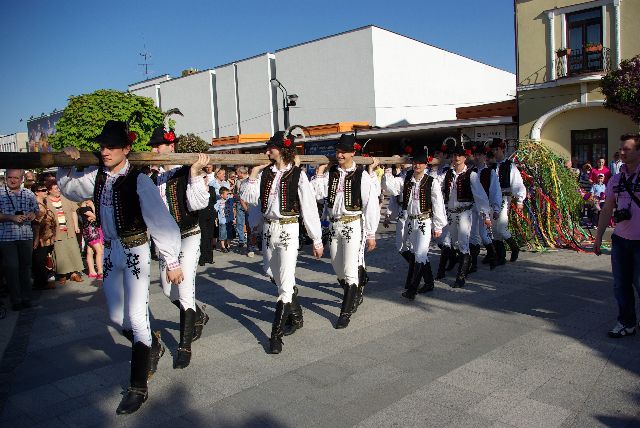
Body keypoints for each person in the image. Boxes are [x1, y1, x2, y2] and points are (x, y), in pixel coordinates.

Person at [57, 119, 184, 415]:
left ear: (126, 149)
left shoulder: (139, 180)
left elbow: (161, 221)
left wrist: (172, 260)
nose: (105, 151)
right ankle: (151, 346)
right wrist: (65, 163)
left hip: (135, 251)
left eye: (112, 146)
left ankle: (138, 387)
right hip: (111, 251)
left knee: (137, 317)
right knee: (117, 316)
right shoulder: (97, 176)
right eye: (103, 146)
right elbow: (71, 189)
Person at [241, 131, 323, 354]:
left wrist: (316, 238)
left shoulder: (298, 175)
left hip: (288, 227)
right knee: (270, 272)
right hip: (269, 228)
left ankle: (275, 336)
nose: (268, 151)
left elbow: (309, 207)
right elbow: (252, 199)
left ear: (283, 150)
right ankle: (295, 314)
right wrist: (254, 174)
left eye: (272, 147)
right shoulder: (266, 173)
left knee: (285, 283)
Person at [147, 120, 211, 369]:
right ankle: (198, 314)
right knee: (167, 289)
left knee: (184, 288)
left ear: (171, 146)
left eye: (158, 145)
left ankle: (184, 347)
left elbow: (198, 204)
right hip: (166, 240)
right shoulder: (154, 177)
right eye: (152, 146)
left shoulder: (186, 170)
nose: (154, 150)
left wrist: (195, 174)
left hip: (188, 235)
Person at [311, 134, 380, 326]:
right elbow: (317, 194)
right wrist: (320, 172)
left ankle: (345, 313)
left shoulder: (361, 175)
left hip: (353, 224)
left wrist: (371, 233)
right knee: (337, 266)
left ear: (352, 153)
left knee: (350, 269)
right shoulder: (332, 173)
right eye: (338, 151)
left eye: (343, 152)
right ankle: (355, 291)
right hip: (334, 225)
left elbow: (371, 204)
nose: (340, 155)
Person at [382, 146, 447, 299]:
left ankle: (412, 290)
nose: (417, 165)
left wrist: (438, 225)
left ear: (425, 164)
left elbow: (438, 203)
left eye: (420, 163)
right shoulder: (407, 180)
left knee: (420, 254)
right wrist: (387, 169)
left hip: (424, 222)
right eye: (415, 162)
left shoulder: (431, 182)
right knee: (416, 253)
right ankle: (429, 282)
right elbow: (390, 187)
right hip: (411, 221)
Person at [594, 133, 640, 338]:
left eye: (627, 149)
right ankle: (626, 323)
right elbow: (607, 209)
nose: (621, 152)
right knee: (621, 285)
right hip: (620, 240)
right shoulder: (616, 178)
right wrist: (598, 237)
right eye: (621, 149)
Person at [440, 141, 491, 287]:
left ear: (465, 158)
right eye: (455, 155)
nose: (457, 158)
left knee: (463, 242)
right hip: (451, 213)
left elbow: (480, 196)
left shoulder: (471, 175)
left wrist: (486, 215)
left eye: (460, 155)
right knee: (454, 242)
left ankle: (461, 277)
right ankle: (465, 265)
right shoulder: (448, 174)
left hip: (464, 212)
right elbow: (438, 187)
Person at [0, 169, 39, 310]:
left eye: (16, 178)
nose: (12, 180)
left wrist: (32, 215)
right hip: (6, 237)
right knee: (12, 268)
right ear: (6, 178)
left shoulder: (28, 193)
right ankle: (16, 300)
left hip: (25, 235)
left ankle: (26, 298)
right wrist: (11, 217)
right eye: (10, 177)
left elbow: (36, 210)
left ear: (22, 179)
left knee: (25, 268)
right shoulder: (0, 193)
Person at [489, 138, 527, 265]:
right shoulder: (492, 167)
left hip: (504, 198)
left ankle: (514, 247)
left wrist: (520, 200)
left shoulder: (510, 165)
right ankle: (500, 256)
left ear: (502, 150)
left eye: (497, 149)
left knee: (501, 226)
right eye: (493, 150)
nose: (495, 152)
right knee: (494, 228)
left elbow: (517, 183)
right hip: (492, 199)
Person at [45, 180, 84, 285]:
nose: (58, 190)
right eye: (56, 188)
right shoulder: (46, 201)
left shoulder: (66, 197)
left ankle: (74, 273)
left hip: (69, 229)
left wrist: (76, 226)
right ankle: (62, 274)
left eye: (59, 188)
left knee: (73, 250)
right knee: (60, 253)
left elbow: (73, 212)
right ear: (49, 190)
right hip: (56, 231)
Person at [469, 142, 502, 271]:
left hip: (485, 207)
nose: (477, 157)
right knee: (473, 235)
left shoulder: (490, 172)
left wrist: (496, 208)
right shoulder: (470, 172)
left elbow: (495, 191)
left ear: (484, 157)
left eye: (480, 155)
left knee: (484, 234)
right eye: (475, 155)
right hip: (472, 206)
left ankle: (493, 256)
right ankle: (473, 264)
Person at [31, 182, 57, 290]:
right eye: (43, 190)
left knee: (45, 259)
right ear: (36, 193)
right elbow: (36, 225)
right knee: (39, 260)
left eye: (46, 190)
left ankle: (43, 280)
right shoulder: (38, 206)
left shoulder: (44, 203)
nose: (46, 192)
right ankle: (40, 282)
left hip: (47, 237)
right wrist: (37, 238)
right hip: (41, 238)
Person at [78, 200, 104, 279]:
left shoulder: (82, 209)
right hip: (92, 232)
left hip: (89, 232)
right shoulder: (84, 209)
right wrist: (93, 206)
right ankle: (100, 271)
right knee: (99, 251)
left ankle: (92, 271)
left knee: (90, 251)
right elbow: (98, 218)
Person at [215, 186, 234, 252]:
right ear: (221, 195)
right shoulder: (218, 202)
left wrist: (233, 218)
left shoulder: (229, 201)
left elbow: (232, 209)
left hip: (229, 220)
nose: (227, 195)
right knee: (222, 233)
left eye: (228, 194)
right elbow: (215, 209)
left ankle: (228, 245)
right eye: (226, 194)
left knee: (229, 233)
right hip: (222, 221)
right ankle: (223, 246)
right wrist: (216, 219)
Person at [234, 166, 249, 249]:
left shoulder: (249, 179)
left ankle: (250, 240)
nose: (236, 174)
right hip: (239, 203)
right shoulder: (238, 181)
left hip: (248, 203)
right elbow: (236, 191)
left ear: (241, 173)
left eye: (237, 173)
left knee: (249, 222)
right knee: (239, 222)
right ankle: (241, 240)